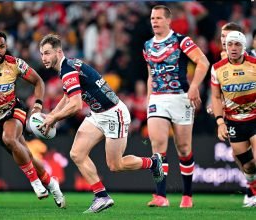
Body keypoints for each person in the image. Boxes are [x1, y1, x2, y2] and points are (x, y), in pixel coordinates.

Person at [39, 34, 164, 214]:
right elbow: (68, 97)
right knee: (77, 153)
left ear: (59, 52)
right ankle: (101, 196)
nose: (44, 58)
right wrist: (51, 114)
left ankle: (152, 163)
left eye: (47, 53)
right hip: (98, 114)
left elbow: (75, 106)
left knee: (115, 165)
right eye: (42, 54)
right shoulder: (68, 66)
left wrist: (53, 119)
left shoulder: (68, 70)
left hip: (114, 114)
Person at [0, 30, 65, 208]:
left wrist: (38, 105)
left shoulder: (15, 63)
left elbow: (39, 81)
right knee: (27, 156)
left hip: (14, 110)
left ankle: (35, 183)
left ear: (6, 47)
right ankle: (52, 184)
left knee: (9, 138)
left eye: (1, 46)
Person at [143, 5, 209, 208]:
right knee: (158, 146)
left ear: (168, 20)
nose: (154, 21)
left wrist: (195, 86)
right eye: (153, 18)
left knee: (183, 148)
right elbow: (151, 75)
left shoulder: (182, 41)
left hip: (181, 98)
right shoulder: (147, 45)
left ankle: (187, 195)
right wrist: (148, 99)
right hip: (158, 99)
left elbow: (203, 62)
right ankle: (161, 196)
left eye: (159, 18)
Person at [208, 22, 256, 206]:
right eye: (230, 44)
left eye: (237, 45)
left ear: (244, 47)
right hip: (234, 122)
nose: (233, 48)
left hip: (254, 118)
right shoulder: (218, 68)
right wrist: (220, 122)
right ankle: (252, 190)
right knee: (248, 166)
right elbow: (215, 96)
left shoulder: (254, 65)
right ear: (225, 46)